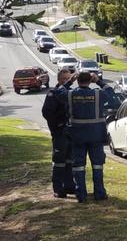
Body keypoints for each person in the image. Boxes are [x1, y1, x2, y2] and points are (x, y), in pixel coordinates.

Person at [62, 72, 119, 203]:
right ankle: (99, 193)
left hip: (77, 136)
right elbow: (112, 94)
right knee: (97, 165)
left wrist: (69, 82)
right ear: (90, 81)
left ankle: (81, 194)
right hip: (96, 136)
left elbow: (57, 93)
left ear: (77, 81)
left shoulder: (70, 94)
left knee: (78, 166)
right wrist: (99, 81)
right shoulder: (98, 94)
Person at [41, 69, 75, 198]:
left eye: (68, 78)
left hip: (71, 132)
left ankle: (69, 185)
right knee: (59, 160)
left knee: (70, 160)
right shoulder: (53, 93)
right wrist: (58, 124)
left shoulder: (70, 93)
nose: (66, 81)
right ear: (59, 79)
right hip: (59, 132)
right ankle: (58, 188)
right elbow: (47, 112)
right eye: (64, 79)